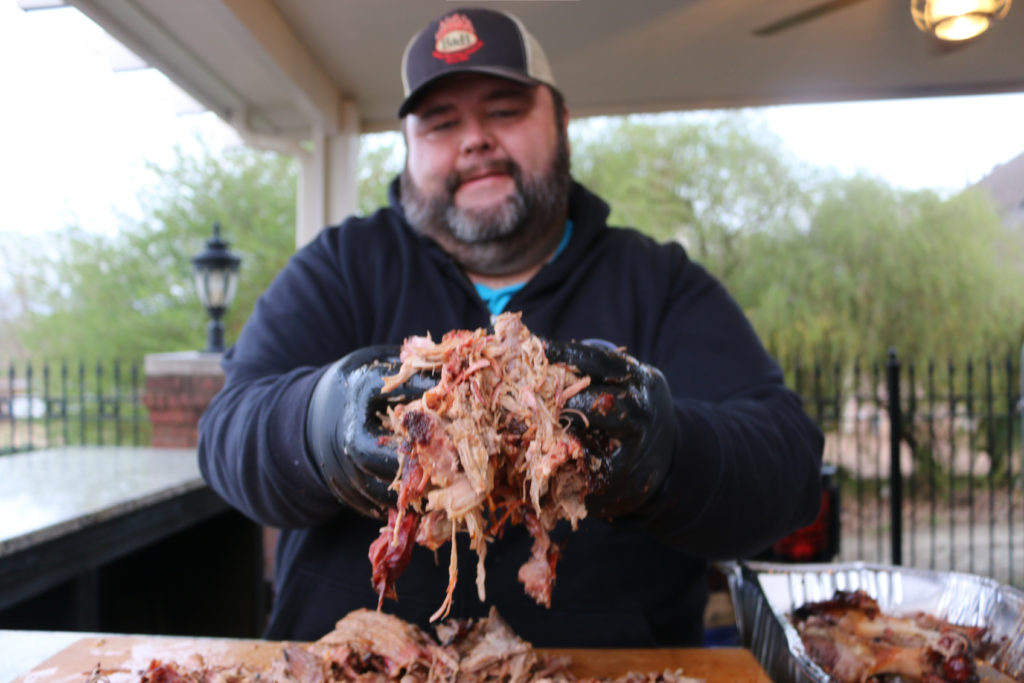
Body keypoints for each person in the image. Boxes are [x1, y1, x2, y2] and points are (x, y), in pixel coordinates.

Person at [197, 6, 824, 648]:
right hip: (354, 660)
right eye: (442, 123)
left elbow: (791, 469)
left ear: (562, 124)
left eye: (504, 112)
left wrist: (663, 451)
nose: (475, 139)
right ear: (409, 149)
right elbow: (225, 434)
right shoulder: (341, 267)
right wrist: (318, 424)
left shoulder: (657, 282)